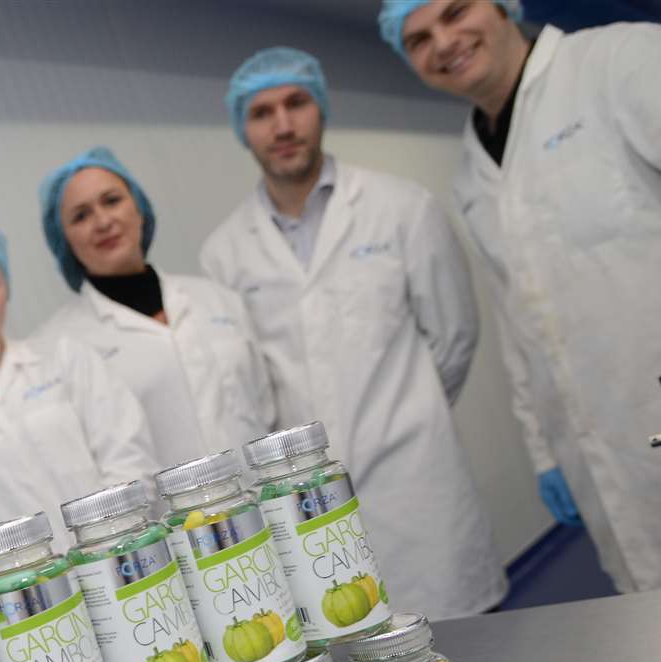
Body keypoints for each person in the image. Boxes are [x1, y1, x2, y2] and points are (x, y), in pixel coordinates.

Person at [380, 0, 661, 592]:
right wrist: (546, 454)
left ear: (503, 6)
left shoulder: (617, 61)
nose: (444, 41)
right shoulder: (470, 173)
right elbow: (521, 324)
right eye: (418, 39)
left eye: (457, 11)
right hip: (604, 456)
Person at [201, 46, 506, 619]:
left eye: (297, 103)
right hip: (309, 506)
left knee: (475, 660)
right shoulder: (225, 253)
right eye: (262, 112)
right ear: (242, 129)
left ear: (321, 110)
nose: (283, 124)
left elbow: (454, 334)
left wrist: (407, 413)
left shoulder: (400, 207)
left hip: (416, 482)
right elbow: (251, 386)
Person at [0, 213, 158, 579]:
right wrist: (27, 590)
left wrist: (95, 559)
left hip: (123, 571)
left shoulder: (67, 362)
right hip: (27, 612)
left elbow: (129, 464)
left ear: (7, 288)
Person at [29, 147, 277, 468]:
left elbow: (266, 410)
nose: (103, 221)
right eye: (81, 215)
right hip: (166, 517)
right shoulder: (57, 348)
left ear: (139, 209)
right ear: (64, 241)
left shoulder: (217, 300)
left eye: (112, 200)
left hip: (265, 505)